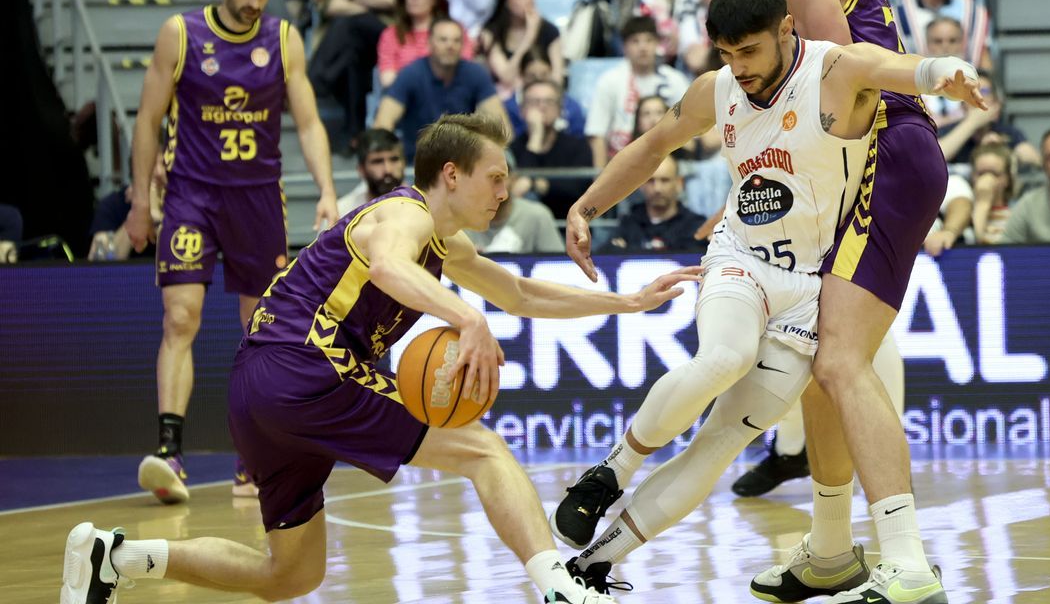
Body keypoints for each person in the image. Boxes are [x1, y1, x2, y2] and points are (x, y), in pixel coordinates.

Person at [63, 115, 699, 604]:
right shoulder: (403, 213)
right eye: (495, 178)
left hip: (256, 388)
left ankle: (113, 560)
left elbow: (521, 292)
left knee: (290, 574)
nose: (505, 193)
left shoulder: (442, 242)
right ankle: (558, 583)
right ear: (451, 174)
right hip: (306, 363)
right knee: (483, 450)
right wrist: (466, 317)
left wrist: (627, 302)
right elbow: (393, 268)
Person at [554, 0, 980, 600]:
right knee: (722, 357)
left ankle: (594, 562)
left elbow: (897, 66)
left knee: (726, 437)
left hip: (814, 288)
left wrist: (943, 69)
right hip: (740, 260)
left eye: (748, 51)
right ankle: (610, 473)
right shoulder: (717, 89)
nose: (739, 67)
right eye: (725, 53)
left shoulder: (835, 71)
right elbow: (652, 146)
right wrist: (585, 207)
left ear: (787, 29)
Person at [725, 0, 957, 601]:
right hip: (893, 148)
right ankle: (829, 550)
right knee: (825, 356)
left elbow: (839, 90)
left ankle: (907, 560)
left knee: (843, 362)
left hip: (879, 151)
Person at [121, 0, 339, 504]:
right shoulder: (181, 33)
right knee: (181, 317)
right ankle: (170, 451)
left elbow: (310, 123)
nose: (254, 3)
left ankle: (253, 456)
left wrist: (328, 192)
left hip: (259, 198)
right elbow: (147, 120)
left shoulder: (284, 38)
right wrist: (141, 200)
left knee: (259, 329)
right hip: (192, 194)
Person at [307, 0, 402, 149]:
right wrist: (373, 0)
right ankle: (355, 133)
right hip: (347, 45)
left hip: (382, 36)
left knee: (349, 23)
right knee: (351, 53)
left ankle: (316, 79)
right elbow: (327, 4)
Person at [372, 18, 510, 161]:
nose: (450, 46)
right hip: (417, 162)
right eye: (443, 40)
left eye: (456, 41)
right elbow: (383, 124)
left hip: (463, 161)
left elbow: (501, 126)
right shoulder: (411, 74)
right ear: (429, 43)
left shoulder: (475, 74)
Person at [585, 15, 690, 167]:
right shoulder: (609, 81)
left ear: (657, 44)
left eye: (648, 40)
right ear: (624, 47)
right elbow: (597, 135)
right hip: (622, 163)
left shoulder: (675, 80)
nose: (643, 47)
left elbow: (689, 128)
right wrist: (599, 181)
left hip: (669, 163)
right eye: (635, 41)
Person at [377, 0, 477, 89]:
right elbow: (387, 80)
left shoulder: (454, 30)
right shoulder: (391, 34)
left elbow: (462, 71)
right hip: (407, 101)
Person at [510, 79, 594, 219]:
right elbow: (514, 192)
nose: (542, 107)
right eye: (535, 101)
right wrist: (536, 137)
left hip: (566, 225)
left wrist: (536, 184)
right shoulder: (513, 148)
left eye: (549, 101)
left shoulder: (577, 146)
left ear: (560, 109)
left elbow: (578, 189)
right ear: (522, 110)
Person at [480, 0, 565, 96]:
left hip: (542, 97)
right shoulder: (490, 33)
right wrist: (528, 38)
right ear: (505, 0)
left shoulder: (549, 30)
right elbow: (507, 78)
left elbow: (557, 78)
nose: (529, 0)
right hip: (504, 100)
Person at [599, 154, 705, 253]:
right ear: (641, 184)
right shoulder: (629, 222)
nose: (657, 188)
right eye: (651, 181)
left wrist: (629, 249)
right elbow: (606, 256)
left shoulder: (696, 226)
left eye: (665, 180)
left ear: (679, 183)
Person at [336, 129, 405, 216]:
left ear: (404, 163)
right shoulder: (342, 213)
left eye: (394, 159)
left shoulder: (423, 206)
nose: (388, 170)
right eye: (377, 161)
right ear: (361, 169)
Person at [969, 142, 1018, 244]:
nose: (987, 179)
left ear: (1007, 179)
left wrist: (984, 203)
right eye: (981, 173)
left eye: (994, 174)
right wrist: (981, 204)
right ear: (972, 176)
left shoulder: (1016, 218)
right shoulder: (961, 212)